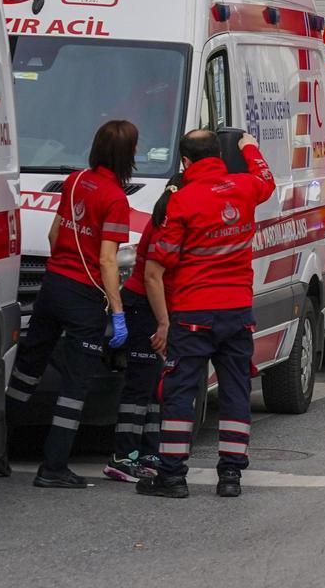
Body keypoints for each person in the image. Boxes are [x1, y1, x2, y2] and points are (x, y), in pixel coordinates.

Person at [137, 130, 275, 499]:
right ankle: (231, 475)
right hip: (237, 313)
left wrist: (163, 322)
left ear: (184, 162)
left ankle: (172, 476)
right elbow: (266, 180)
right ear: (219, 153)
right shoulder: (245, 187)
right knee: (235, 391)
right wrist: (249, 146)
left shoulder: (182, 202)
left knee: (181, 393)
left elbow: (156, 267)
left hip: (192, 313)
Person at [5, 120, 136, 488]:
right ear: (127, 156)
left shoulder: (75, 180)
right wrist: (118, 312)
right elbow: (108, 260)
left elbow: (53, 233)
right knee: (76, 385)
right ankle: (54, 467)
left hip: (53, 285)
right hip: (82, 296)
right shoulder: (115, 199)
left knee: (28, 368)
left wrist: (63, 268)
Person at [102, 175, 182, 483]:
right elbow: (152, 277)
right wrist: (164, 321)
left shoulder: (168, 217)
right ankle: (123, 457)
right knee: (139, 385)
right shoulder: (167, 222)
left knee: (151, 387)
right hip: (144, 306)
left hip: (153, 306)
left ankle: (148, 454)